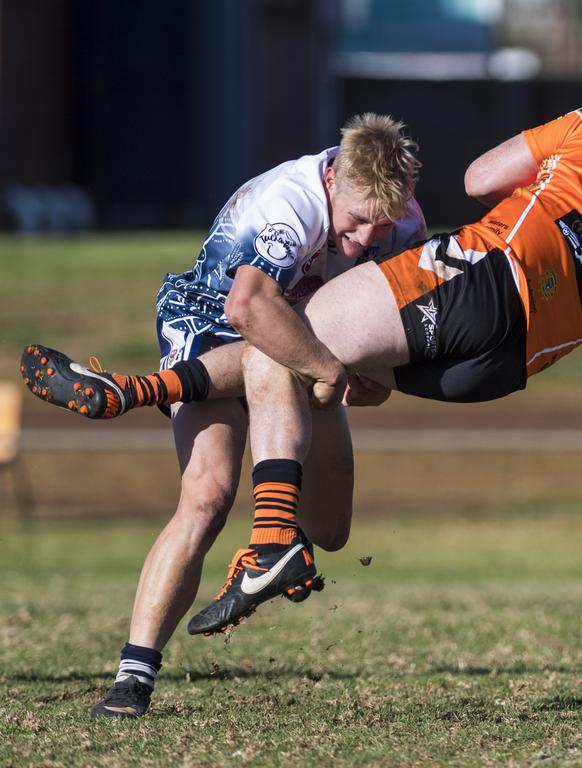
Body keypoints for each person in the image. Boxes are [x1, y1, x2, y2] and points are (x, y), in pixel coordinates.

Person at [24, 95, 582, 637]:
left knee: (289, 342)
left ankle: (211, 477)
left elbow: (483, 175)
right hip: (508, 364)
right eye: (358, 225)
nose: (365, 239)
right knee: (284, 390)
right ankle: (144, 415)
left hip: (488, 275)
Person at [22, 113, 426, 719]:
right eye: (359, 218)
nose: (370, 237)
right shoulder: (289, 203)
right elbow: (248, 309)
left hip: (297, 339)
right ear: (334, 180)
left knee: (331, 529)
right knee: (207, 495)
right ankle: (132, 678)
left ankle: (141, 397)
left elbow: (396, 337)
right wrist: (334, 371)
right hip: (210, 324)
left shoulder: (405, 225)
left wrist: (372, 376)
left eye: (384, 222)